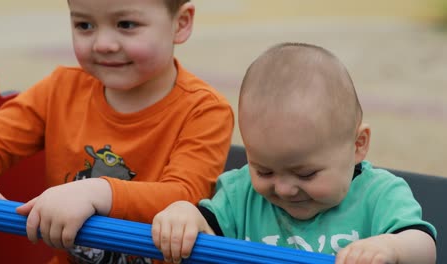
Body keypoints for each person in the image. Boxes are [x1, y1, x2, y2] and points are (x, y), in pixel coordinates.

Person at [0, 0, 234, 263]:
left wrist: (97, 192)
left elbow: (185, 196)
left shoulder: (204, 110)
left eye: (126, 24)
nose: (102, 44)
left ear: (180, 24)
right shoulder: (60, 89)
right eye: (84, 25)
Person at [151, 42, 437, 264]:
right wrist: (184, 214)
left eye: (306, 173)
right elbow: (205, 226)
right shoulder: (242, 193)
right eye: (264, 170)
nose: (285, 188)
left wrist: (390, 248)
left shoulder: (379, 195)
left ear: (357, 145)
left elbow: (424, 247)